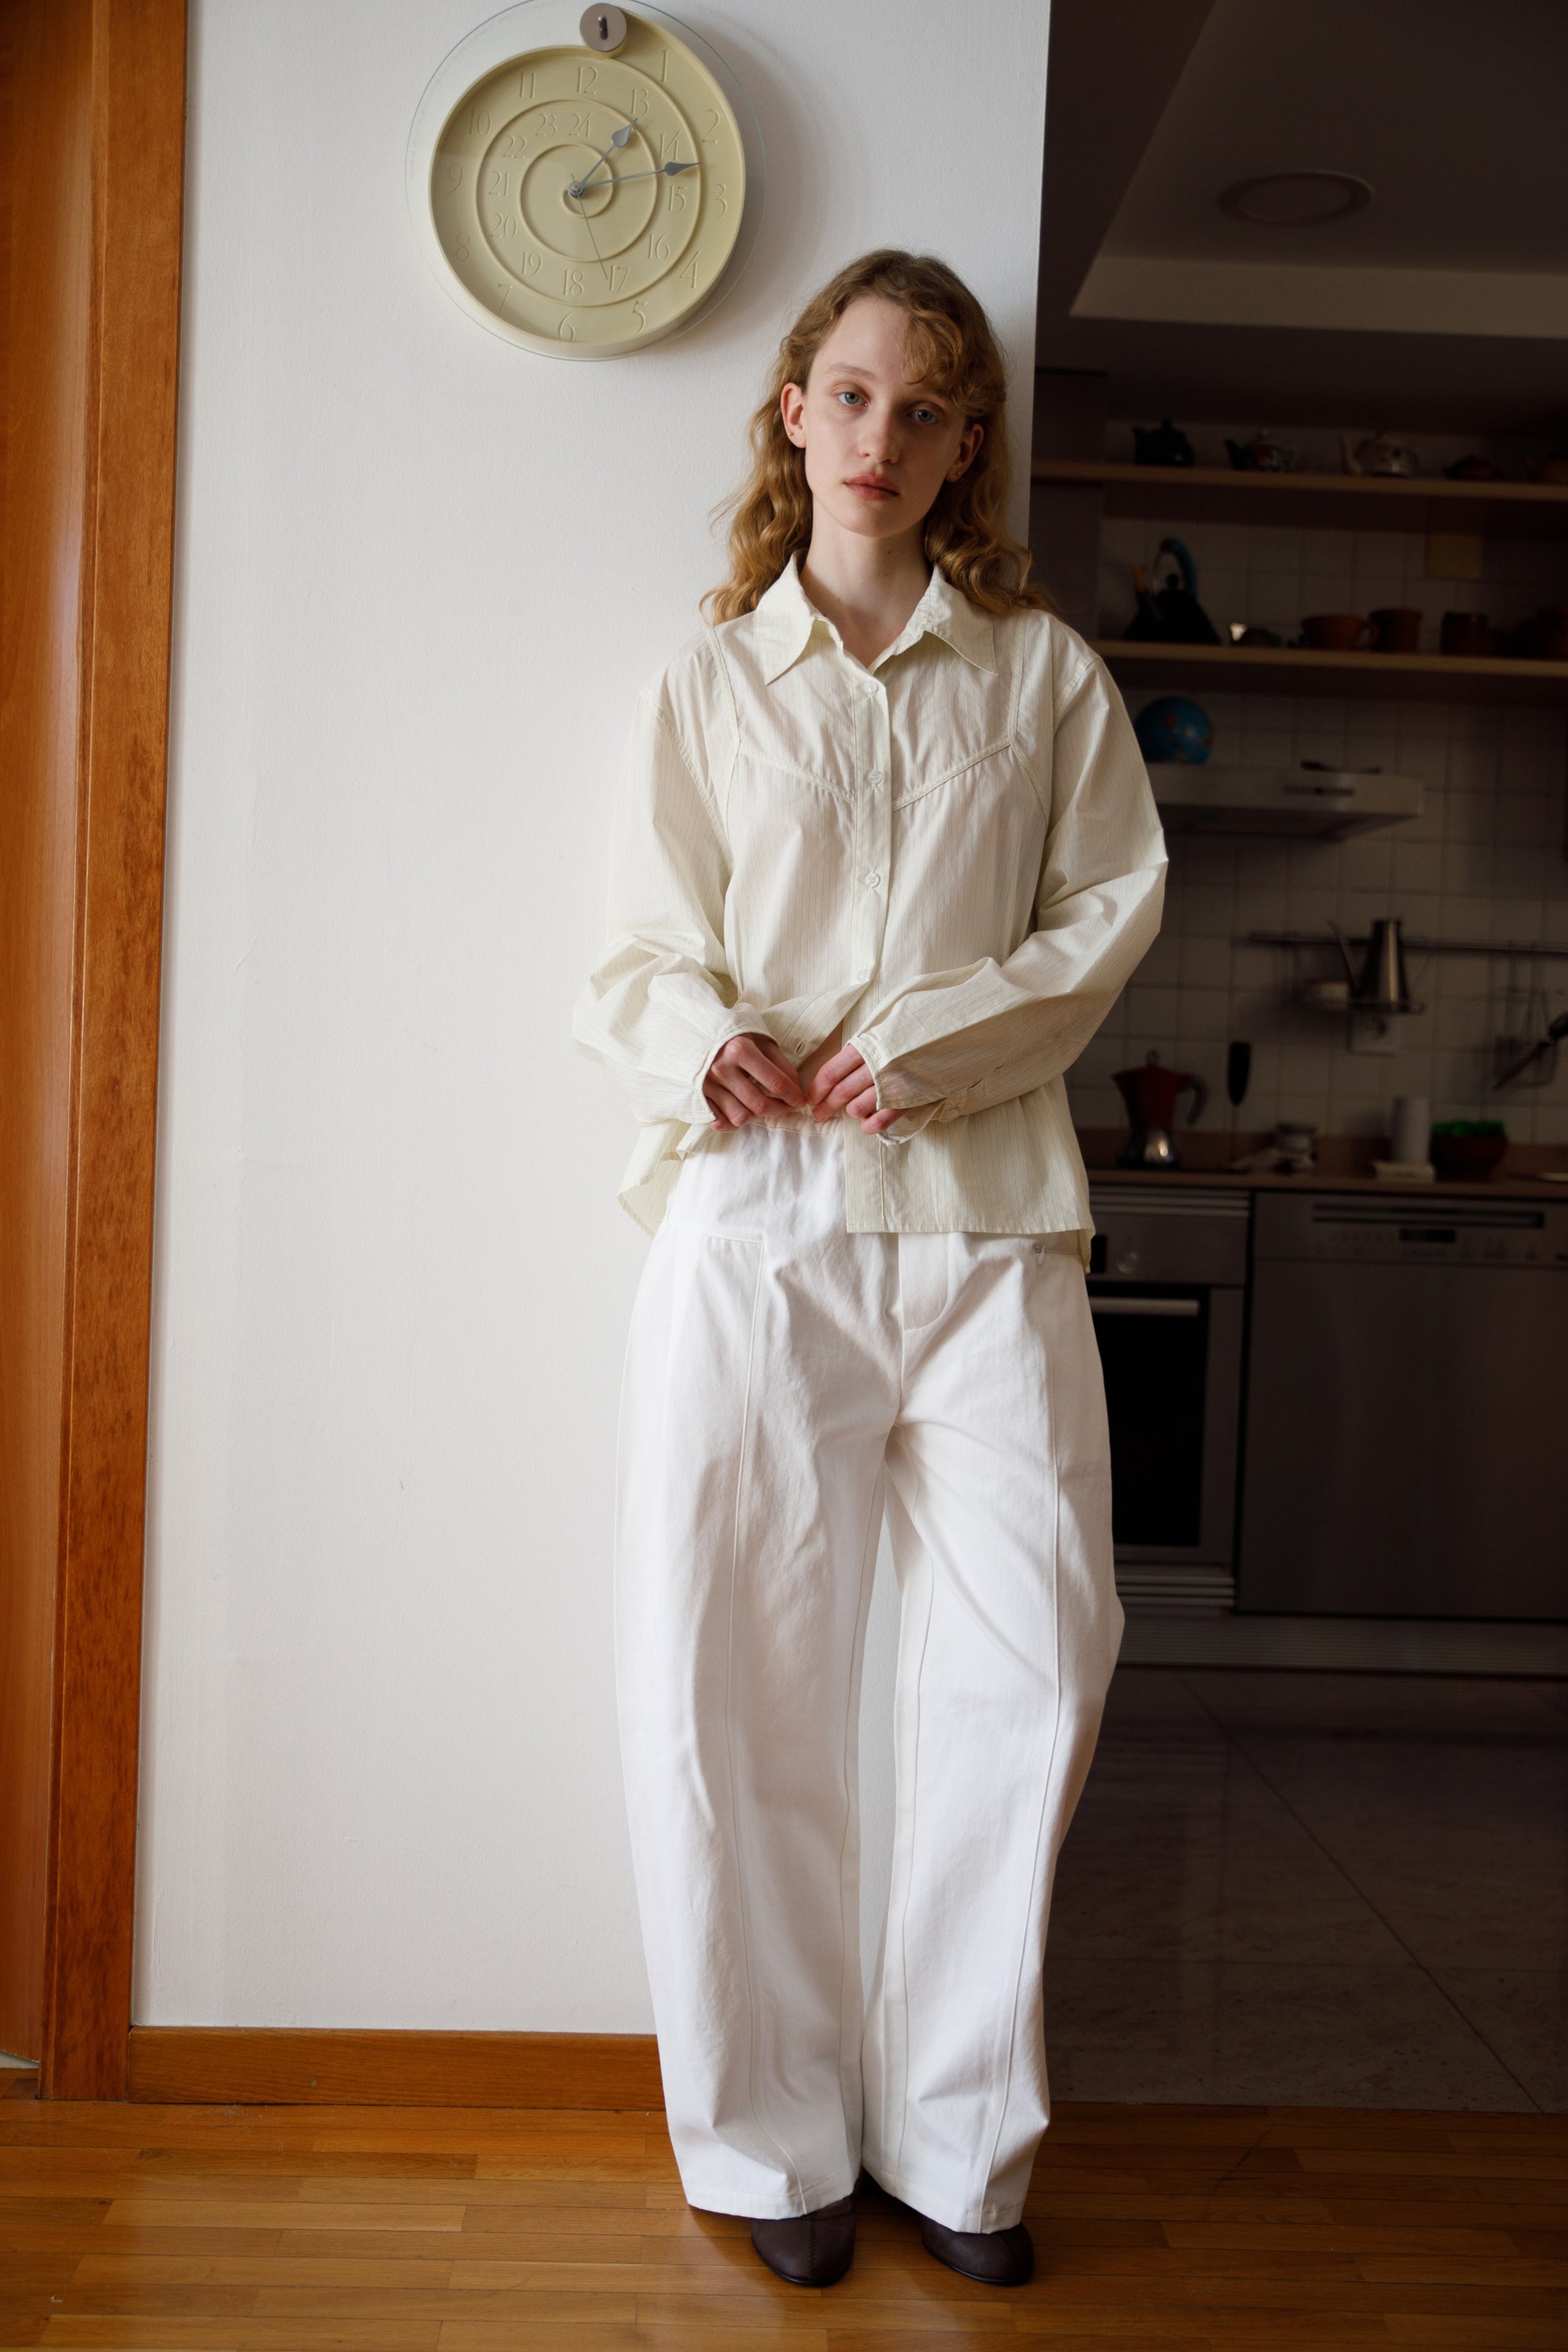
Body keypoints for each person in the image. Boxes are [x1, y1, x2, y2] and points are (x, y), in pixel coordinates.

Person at [573, 249, 1166, 2291]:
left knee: (1032, 1659)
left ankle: (954, 2139)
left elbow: (1107, 911)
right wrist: (694, 1039)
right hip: (756, 1225)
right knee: (727, 1677)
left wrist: (929, 1040)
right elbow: (635, 946)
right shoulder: (703, 678)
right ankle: (765, 2138)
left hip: (988, 1217)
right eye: (848, 395)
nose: (881, 437)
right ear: (791, 418)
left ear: (964, 442)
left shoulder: (1045, 676)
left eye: (924, 407)